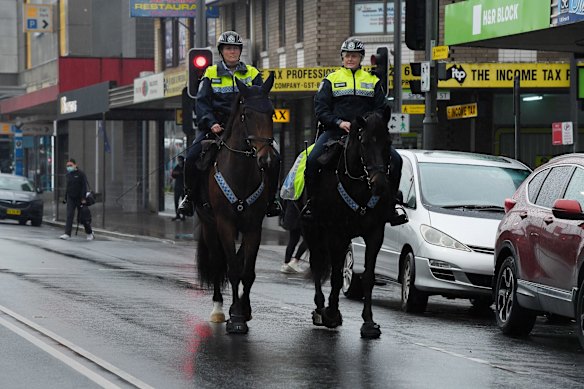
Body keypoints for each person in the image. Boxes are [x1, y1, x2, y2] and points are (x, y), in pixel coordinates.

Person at [303, 37, 407, 226]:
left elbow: (381, 108)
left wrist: (367, 124)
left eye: (355, 56)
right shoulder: (330, 80)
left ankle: (392, 206)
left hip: (365, 135)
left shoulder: (372, 81)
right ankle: (312, 203)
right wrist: (338, 122)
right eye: (347, 56)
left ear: (361, 58)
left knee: (397, 161)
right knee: (311, 161)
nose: (350, 59)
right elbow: (321, 109)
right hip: (335, 133)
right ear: (342, 57)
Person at [179, 30, 282, 218]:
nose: (232, 52)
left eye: (235, 49)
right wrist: (211, 123)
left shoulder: (252, 73)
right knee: (192, 156)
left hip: (246, 128)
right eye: (228, 49)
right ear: (221, 52)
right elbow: (202, 103)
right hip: (217, 127)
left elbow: (259, 100)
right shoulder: (210, 73)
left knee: (274, 157)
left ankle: (272, 200)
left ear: (240, 51)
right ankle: (189, 197)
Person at [60, 158, 94, 240]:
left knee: (83, 216)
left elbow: (84, 187)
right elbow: (68, 188)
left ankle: (89, 233)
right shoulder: (68, 175)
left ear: (75, 165)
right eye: (67, 166)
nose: (69, 167)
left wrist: (83, 198)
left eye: (70, 165)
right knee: (69, 215)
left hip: (80, 198)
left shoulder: (81, 174)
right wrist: (65, 198)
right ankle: (67, 233)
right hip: (70, 198)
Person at [280, 199, 308, 273]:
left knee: (293, 239)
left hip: (291, 211)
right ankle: (295, 261)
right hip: (300, 213)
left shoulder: (290, 187)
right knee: (308, 239)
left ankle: (286, 263)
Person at [170, 156, 185, 221]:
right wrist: (176, 173)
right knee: (176, 201)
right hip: (177, 187)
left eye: (180, 160)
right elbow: (173, 174)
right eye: (178, 160)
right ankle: (177, 215)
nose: (179, 161)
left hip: (183, 187)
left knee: (183, 202)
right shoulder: (177, 167)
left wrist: (180, 173)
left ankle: (184, 215)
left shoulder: (185, 167)